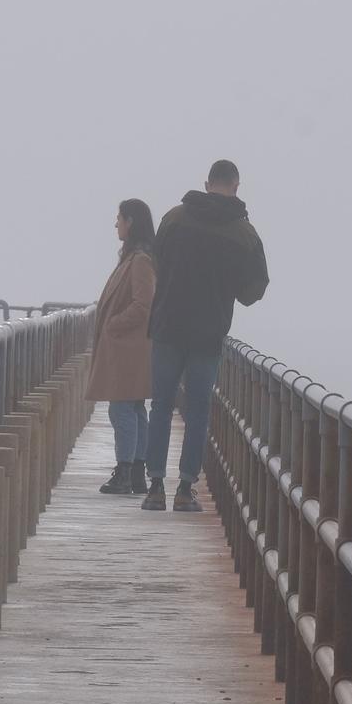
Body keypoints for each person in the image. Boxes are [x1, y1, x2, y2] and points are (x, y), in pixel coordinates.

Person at [141, 159, 269, 512]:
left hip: (168, 326)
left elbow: (155, 259)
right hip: (208, 333)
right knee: (198, 411)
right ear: (236, 186)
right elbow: (253, 290)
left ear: (207, 182)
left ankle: (154, 486)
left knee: (162, 406)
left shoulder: (174, 218)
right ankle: (185, 488)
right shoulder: (244, 234)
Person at [85, 198, 157, 495]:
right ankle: (137, 472)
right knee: (135, 409)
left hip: (130, 348)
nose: (116, 224)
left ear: (131, 222)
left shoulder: (140, 260)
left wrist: (113, 324)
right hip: (132, 349)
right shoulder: (136, 257)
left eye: (119, 218)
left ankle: (125, 471)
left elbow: (144, 304)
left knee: (122, 410)